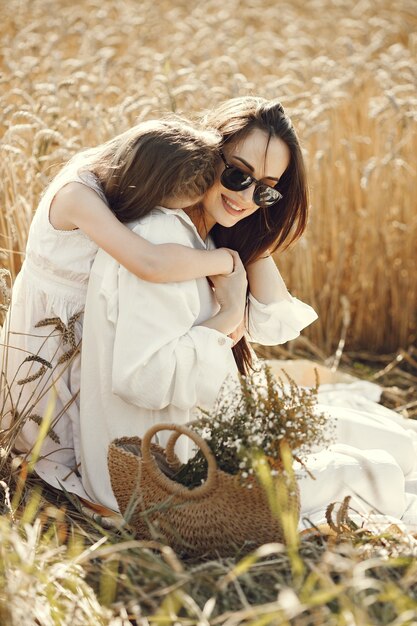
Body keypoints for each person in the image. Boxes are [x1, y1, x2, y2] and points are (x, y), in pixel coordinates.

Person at [78, 96, 318, 509]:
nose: (245, 197)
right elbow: (142, 378)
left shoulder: (204, 236)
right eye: (238, 175)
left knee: (384, 456)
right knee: (379, 473)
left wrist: (252, 244)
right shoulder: (161, 238)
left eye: (266, 191)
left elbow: (274, 324)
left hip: (187, 449)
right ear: (206, 156)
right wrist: (225, 317)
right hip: (155, 473)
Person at [0, 117, 238, 476]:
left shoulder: (124, 168)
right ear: (146, 184)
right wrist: (224, 261)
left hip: (84, 328)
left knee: (81, 433)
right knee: (47, 447)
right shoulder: (78, 195)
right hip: (50, 332)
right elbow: (149, 262)